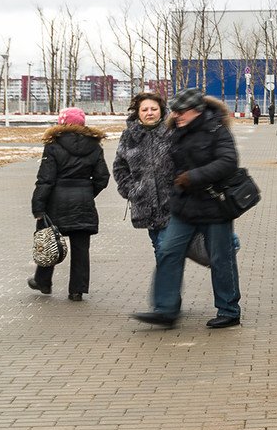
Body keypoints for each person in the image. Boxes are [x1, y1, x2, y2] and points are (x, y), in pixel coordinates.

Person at [131, 88, 243, 329]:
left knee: (220, 258)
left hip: (215, 206)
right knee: (168, 251)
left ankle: (229, 309)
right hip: (184, 207)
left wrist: (193, 176)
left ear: (197, 110)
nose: (177, 115)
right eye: (175, 111)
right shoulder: (175, 132)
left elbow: (228, 162)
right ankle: (165, 309)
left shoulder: (216, 130)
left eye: (182, 112)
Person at [28, 107, 110, 301]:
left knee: (49, 240)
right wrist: (88, 192)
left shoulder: (53, 145)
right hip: (83, 202)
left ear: (62, 123)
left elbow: (46, 179)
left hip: (56, 202)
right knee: (81, 247)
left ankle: (43, 281)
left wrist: (38, 205)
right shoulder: (95, 146)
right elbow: (102, 177)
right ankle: (77, 290)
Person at [112, 92, 174, 256]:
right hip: (145, 205)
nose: (149, 113)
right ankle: (168, 279)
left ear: (161, 110)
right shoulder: (129, 136)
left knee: (165, 250)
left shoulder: (172, 133)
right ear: (138, 113)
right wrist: (131, 190)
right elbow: (120, 167)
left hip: (173, 204)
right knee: (158, 247)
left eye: (154, 109)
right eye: (144, 109)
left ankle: (166, 280)